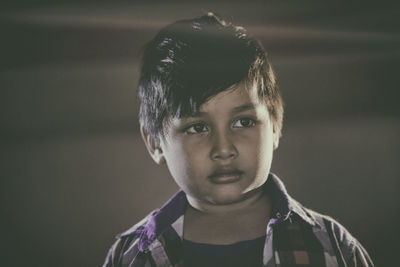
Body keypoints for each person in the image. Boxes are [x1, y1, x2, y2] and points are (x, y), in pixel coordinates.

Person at [103, 13, 374, 267]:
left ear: (275, 126)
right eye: (197, 127)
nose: (224, 149)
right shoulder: (131, 256)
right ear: (154, 142)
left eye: (243, 122)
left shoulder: (332, 246)